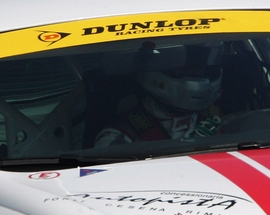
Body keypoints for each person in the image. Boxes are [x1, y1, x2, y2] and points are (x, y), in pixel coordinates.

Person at [94, 45, 224, 146]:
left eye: (202, 66)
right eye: (187, 67)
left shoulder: (221, 117)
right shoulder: (120, 136)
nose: (198, 72)